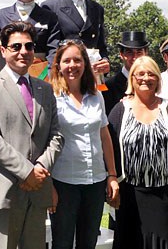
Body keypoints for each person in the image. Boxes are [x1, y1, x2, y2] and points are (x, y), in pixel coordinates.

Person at [0, 21, 64, 249]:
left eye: (29, 46)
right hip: (6, 191)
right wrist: (26, 172)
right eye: (16, 46)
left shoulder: (45, 89)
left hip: (38, 190)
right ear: (3, 51)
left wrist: (41, 167)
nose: (24, 51)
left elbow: (56, 135)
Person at [49, 39, 119, 249]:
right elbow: (44, 141)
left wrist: (112, 175)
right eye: (67, 60)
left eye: (78, 60)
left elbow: (104, 135)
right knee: (62, 243)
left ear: (85, 64)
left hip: (95, 183)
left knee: (88, 243)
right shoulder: (51, 97)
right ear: (58, 65)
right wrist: (48, 185)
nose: (73, 65)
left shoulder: (96, 95)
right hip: (63, 183)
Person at [108, 56, 168, 249]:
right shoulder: (120, 110)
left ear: (158, 79)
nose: (145, 78)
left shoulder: (166, 108)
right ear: (131, 79)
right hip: (130, 194)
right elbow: (109, 146)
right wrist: (112, 179)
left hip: (163, 194)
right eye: (140, 74)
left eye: (151, 74)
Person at [41, 0, 110, 75]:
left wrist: (105, 61)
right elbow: (51, 49)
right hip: (66, 76)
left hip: (92, 76)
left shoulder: (97, 9)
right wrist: (54, 78)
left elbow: (101, 46)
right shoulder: (51, 7)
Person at [103, 31, 149, 114]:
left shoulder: (152, 83)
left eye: (139, 52)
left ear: (146, 53)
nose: (135, 57)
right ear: (121, 54)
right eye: (129, 52)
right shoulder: (109, 86)